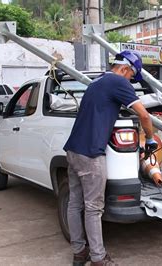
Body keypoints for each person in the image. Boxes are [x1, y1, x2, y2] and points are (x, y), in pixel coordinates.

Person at [63, 50, 156, 266]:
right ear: (124, 69)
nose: (131, 81)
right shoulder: (118, 82)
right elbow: (144, 115)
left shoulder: (98, 82)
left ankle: (79, 252)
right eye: (131, 76)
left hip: (73, 150)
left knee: (75, 204)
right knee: (94, 208)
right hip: (90, 154)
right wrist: (150, 138)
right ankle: (98, 258)